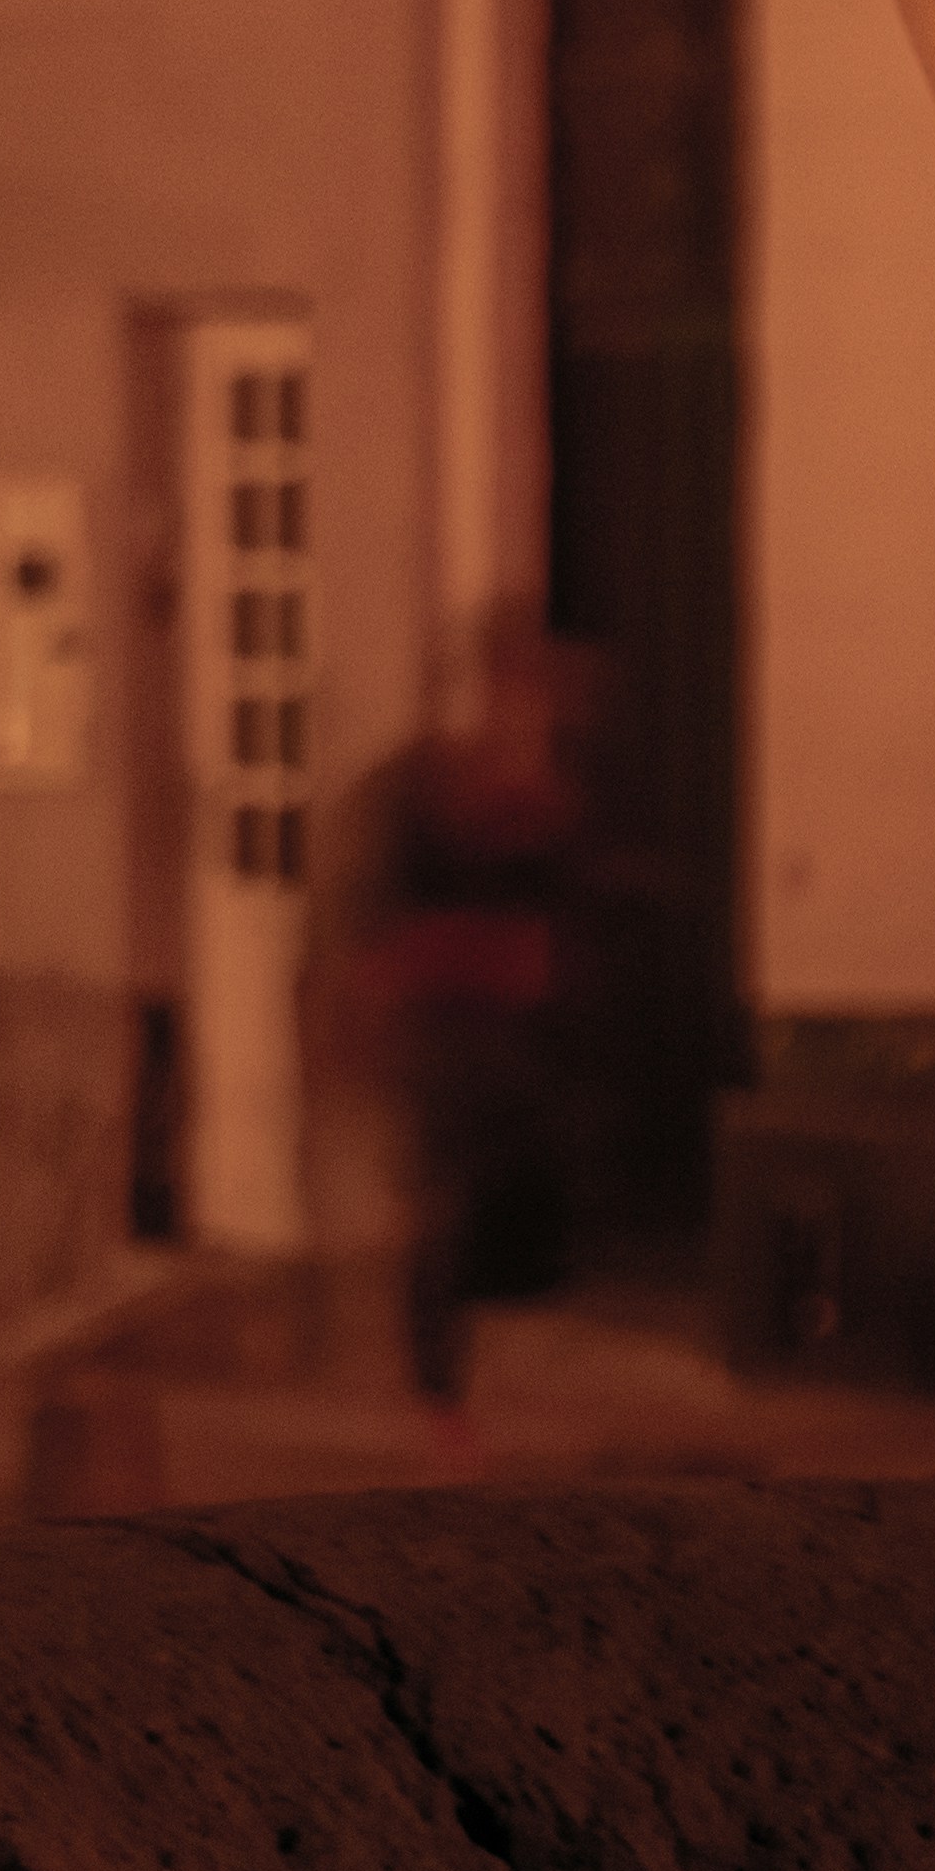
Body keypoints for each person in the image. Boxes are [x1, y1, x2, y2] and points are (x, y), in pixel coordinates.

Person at [373, 608, 597, 1472]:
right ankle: (441, 1397)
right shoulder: (428, 781)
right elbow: (405, 889)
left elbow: (562, 893)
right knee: (444, 1206)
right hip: (448, 1021)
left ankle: (470, 1387)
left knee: (508, 1197)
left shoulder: (550, 780)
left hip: (519, 1023)